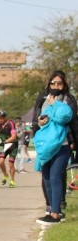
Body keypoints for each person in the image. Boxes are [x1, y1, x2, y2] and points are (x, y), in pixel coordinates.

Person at [31, 70, 78, 224]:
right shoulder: (42, 98)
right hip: (45, 145)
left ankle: (56, 214)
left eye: (59, 83)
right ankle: (51, 209)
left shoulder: (68, 100)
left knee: (55, 177)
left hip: (62, 144)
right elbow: (36, 119)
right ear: (49, 83)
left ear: (64, 85)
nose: (56, 85)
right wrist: (39, 123)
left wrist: (55, 104)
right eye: (53, 82)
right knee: (46, 178)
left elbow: (67, 119)